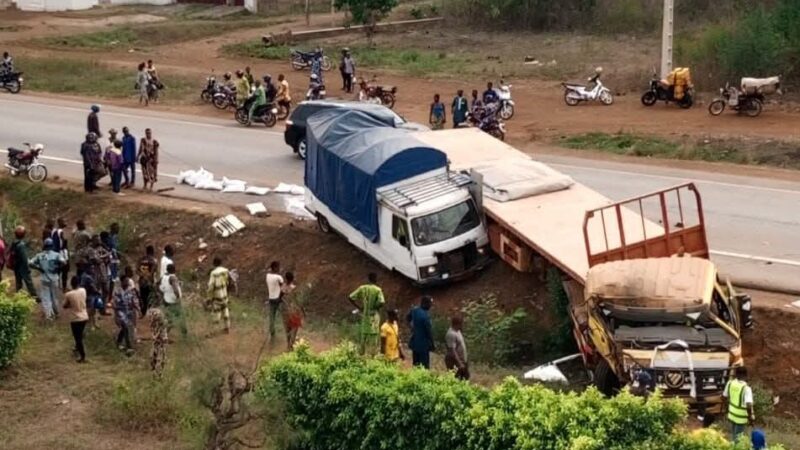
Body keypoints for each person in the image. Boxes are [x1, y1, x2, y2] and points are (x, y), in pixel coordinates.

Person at [348, 272, 385, 355]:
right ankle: (373, 355)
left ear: (369, 279)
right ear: (375, 279)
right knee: (374, 336)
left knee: (363, 336)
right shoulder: (377, 290)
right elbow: (382, 302)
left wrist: (359, 307)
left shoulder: (362, 288)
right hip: (374, 316)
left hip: (365, 315)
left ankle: (361, 354)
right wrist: (376, 307)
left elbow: (350, 297)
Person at [29, 238, 66, 321]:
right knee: (54, 297)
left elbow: (30, 263)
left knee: (46, 297)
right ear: (52, 246)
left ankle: (48, 315)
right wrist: (58, 268)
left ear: (44, 246)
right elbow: (64, 262)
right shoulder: (56, 255)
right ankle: (56, 313)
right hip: (54, 278)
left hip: (44, 278)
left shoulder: (39, 255)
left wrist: (39, 268)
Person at [724, 366, 755, 443]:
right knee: (738, 439)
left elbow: (724, 397)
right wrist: (750, 417)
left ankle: (731, 445)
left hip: (731, 414)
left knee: (734, 435)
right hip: (740, 417)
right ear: (746, 375)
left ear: (736, 374)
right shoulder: (746, 388)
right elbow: (748, 405)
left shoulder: (730, 383)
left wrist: (727, 408)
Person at [62, 276, 88, 363]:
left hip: (75, 318)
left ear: (71, 284)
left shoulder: (68, 294)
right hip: (84, 316)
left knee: (78, 338)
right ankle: (77, 349)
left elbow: (64, 305)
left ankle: (82, 356)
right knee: (80, 335)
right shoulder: (83, 290)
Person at [207, 257, 233, 335]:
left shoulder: (214, 273)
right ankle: (227, 328)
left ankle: (213, 331)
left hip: (217, 295)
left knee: (216, 313)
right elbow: (229, 282)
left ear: (214, 264)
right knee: (225, 311)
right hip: (224, 294)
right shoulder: (226, 271)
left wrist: (209, 297)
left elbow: (211, 286)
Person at [159, 263, 187, 337]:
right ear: (174, 270)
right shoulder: (172, 277)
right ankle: (184, 334)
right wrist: (178, 297)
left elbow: (160, 287)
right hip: (173, 301)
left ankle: (164, 334)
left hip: (166, 300)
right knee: (181, 317)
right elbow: (175, 289)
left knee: (169, 319)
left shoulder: (163, 277)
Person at [407, 295, 434, 369]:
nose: (431, 306)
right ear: (425, 303)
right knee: (424, 366)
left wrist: (411, 327)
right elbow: (429, 332)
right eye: (430, 304)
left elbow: (408, 317)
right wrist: (432, 344)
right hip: (424, 345)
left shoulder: (414, 311)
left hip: (415, 343)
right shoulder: (425, 317)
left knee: (416, 364)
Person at [113, 274, 137, 355]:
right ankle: (129, 347)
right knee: (125, 327)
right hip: (120, 312)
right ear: (122, 282)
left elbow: (133, 301)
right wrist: (116, 315)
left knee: (124, 328)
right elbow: (115, 305)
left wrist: (136, 310)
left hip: (128, 312)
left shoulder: (130, 291)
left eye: (128, 281)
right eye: (126, 281)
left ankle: (119, 341)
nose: (127, 282)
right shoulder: (117, 292)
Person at [10, 226, 37, 298]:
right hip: (22, 267)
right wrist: (27, 268)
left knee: (18, 283)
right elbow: (24, 258)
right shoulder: (21, 245)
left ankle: (18, 297)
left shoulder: (14, 243)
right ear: (23, 235)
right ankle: (35, 297)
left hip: (16, 266)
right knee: (29, 282)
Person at [280, 272, 302, 351]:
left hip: (285, 311)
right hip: (294, 311)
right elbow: (297, 300)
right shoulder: (294, 288)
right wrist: (302, 310)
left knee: (287, 329)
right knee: (294, 328)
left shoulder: (282, 288)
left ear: (286, 278)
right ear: (292, 279)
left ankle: (288, 345)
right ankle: (291, 346)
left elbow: (279, 298)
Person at [445, 316, 469, 380]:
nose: (463, 325)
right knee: (456, 378)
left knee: (465, 378)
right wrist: (459, 363)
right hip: (454, 361)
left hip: (462, 360)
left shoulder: (458, 331)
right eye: (462, 324)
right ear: (458, 324)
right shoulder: (451, 334)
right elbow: (452, 350)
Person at [136, 245, 158, 317]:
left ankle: (143, 312)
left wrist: (142, 275)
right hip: (149, 282)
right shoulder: (154, 260)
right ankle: (149, 313)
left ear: (146, 251)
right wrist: (148, 276)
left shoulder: (141, 260)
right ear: (152, 252)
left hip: (142, 281)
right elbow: (153, 271)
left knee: (143, 297)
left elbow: (137, 270)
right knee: (150, 297)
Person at [78, 262, 101, 328]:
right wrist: (98, 292)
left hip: (89, 294)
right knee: (90, 310)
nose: (93, 269)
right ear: (87, 268)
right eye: (91, 268)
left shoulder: (85, 275)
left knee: (93, 309)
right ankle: (91, 325)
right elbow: (93, 287)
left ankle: (94, 323)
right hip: (89, 295)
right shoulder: (87, 277)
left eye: (93, 268)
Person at [265, 261, 284, 340]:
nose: (279, 269)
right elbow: (283, 289)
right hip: (278, 299)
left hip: (271, 298)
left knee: (272, 316)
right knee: (285, 315)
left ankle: (272, 332)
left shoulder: (268, 276)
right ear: (275, 268)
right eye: (278, 267)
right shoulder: (278, 277)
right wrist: (281, 298)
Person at [149, 301, 168, 377]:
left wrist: (156, 336)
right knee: (153, 355)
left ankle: (159, 373)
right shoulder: (152, 314)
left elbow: (161, 328)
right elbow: (152, 327)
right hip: (156, 338)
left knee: (160, 356)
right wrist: (153, 335)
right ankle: (154, 370)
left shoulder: (160, 317)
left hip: (162, 338)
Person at [51, 218, 70, 292]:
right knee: (64, 271)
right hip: (62, 253)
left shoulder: (53, 231)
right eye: (63, 221)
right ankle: (64, 287)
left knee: (58, 271)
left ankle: (57, 287)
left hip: (55, 253)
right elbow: (64, 242)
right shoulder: (61, 232)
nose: (65, 223)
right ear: (59, 222)